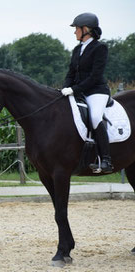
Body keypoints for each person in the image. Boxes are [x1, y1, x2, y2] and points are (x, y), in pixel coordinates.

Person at [61, 12, 112, 173]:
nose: (74, 32)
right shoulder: (77, 50)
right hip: (79, 92)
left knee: (96, 116)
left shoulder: (100, 48)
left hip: (96, 92)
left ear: (86, 29)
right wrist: (64, 88)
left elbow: (95, 76)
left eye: (76, 28)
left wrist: (74, 89)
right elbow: (71, 73)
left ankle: (106, 160)